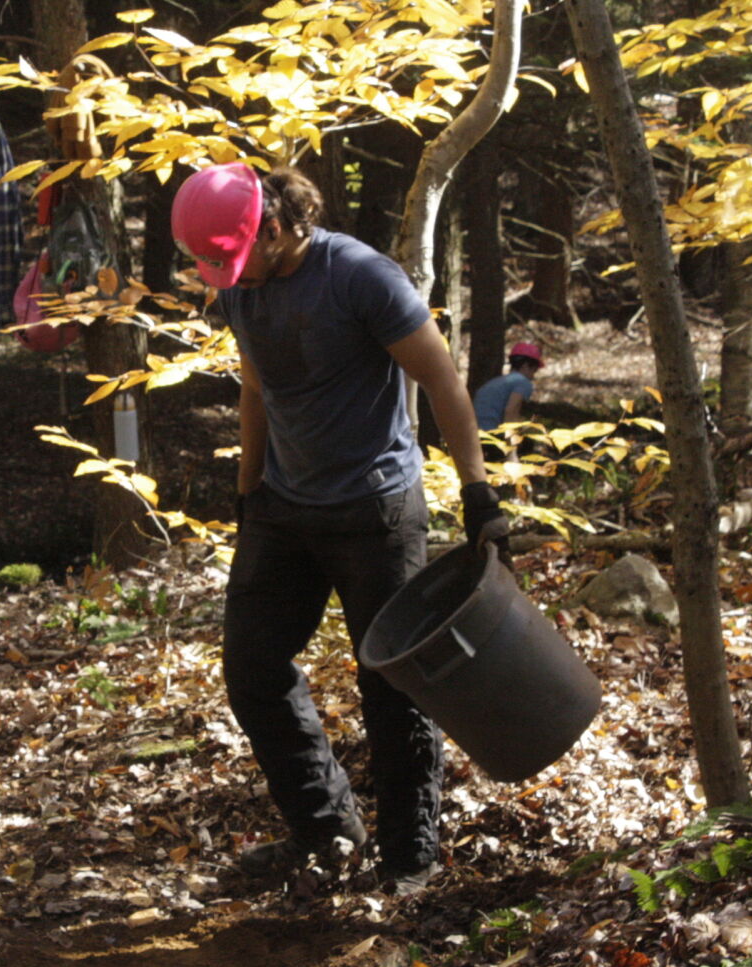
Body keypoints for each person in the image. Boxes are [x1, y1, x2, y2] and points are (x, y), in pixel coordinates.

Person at [171, 162, 509, 897]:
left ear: (275, 226)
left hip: (374, 511)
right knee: (252, 669)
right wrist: (248, 489)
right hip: (285, 508)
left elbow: (443, 379)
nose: (227, 279)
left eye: (234, 259)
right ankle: (326, 830)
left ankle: (409, 857)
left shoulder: (360, 277)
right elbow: (256, 387)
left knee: (394, 686)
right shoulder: (240, 287)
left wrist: (478, 491)